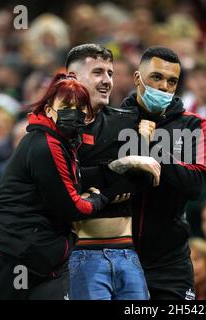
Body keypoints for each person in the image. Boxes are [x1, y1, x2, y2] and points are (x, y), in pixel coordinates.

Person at [0, 72, 122, 300]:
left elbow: (72, 181)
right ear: (49, 107)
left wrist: (112, 172)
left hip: (44, 258)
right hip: (9, 257)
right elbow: (73, 208)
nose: (73, 111)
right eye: (66, 104)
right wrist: (100, 197)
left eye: (80, 106)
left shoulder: (64, 143)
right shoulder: (46, 144)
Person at [66, 44, 159, 300]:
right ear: (72, 78)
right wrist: (117, 167)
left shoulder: (125, 120)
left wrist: (98, 195)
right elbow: (66, 180)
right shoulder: (59, 128)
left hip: (127, 252)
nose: (107, 80)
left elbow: (141, 178)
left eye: (110, 72)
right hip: (81, 253)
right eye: (98, 72)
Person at [124, 46, 206, 300]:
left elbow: (196, 185)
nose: (164, 87)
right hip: (120, 255)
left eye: (172, 81)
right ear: (138, 77)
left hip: (170, 261)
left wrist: (153, 148)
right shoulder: (114, 120)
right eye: (156, 77)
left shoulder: (193, 124)